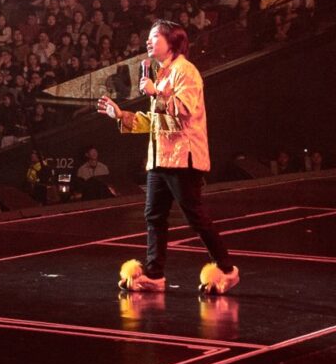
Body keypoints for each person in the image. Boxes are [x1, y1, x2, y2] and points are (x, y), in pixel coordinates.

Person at [96, 20, 239, 295]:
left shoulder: (186, 72)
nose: (148, 42)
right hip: (161, 158)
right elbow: (157, 122)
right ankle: (154, 275)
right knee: (154, 216)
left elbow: (183, 111)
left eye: (154, 37)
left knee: (195, 216)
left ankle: (227, 270)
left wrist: (156, 92)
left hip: (183, 157)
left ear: (171, 41)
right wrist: (122, 116)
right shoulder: (162, 74)